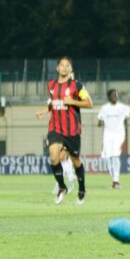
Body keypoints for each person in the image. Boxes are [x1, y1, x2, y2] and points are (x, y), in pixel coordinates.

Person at [35, 57, 93, 204]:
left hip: (72, 131)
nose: (65, 68)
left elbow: (89, 103)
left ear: (71, 69)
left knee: (75, 161)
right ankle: (62, 187)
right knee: (54, 157)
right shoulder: (51, 85)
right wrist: (45, 110)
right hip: (55, 128)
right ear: (57, 68)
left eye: (68, 66)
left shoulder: (77, 86)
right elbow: (54, 102)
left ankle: (82, 189)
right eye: (62, 65)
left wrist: (72, 101)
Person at [97, 88, 130, 189]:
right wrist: (100, 122)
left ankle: (116, 180)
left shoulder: (122, 107)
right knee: (107, 157)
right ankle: (113, 177)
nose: (115, 97)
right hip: (107, 134)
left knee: (115, 156)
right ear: (108, 97)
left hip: (118, 135)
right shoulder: (104, 108)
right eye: (112, 95)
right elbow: (100, 120)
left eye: (116, 95)